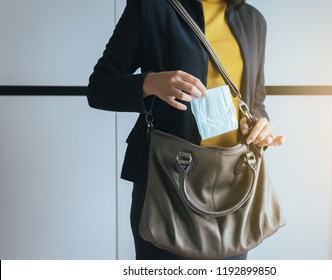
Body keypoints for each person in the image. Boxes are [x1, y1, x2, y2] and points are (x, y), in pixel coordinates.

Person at [87, 0, 284, 260]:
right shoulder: (151, 7)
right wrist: (150, 83)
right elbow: (98, 88)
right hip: (166, 178)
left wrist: (260, 125)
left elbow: (256, 100)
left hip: (235, 182)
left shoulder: (254, 20)